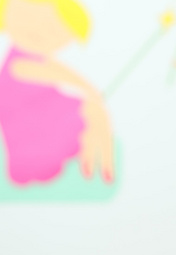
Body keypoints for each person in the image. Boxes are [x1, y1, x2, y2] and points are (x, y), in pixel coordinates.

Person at [0, 0, 114, 185]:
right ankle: (97, 164)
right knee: (92, 112)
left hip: (42, 109)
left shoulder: (37, 58)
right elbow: (44, 71)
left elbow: (55, 69)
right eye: (28, 18)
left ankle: (99, 164)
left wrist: (90, 93)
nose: (37, 30)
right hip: (27, 119)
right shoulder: (18, 62)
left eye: (53, 30)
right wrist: (89, 90)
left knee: (94, 112)